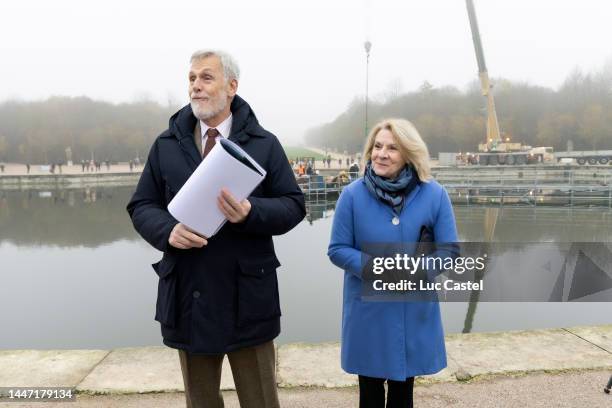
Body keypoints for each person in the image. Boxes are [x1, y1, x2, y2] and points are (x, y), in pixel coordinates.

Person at [127, 49, 305, 408]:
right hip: (189, 296)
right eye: (191, 79)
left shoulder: (264, 144)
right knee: (201, 403)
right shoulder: (165, 145)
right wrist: (167, 231)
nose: (195, 86)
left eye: (206, 78)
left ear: (232, 87)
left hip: (248, 297)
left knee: (261, 402)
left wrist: (250, 211)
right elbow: (141, 205)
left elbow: (293, 205)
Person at [327, 118, 458, 408]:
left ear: (409, 154)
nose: (381, 154)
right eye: (377, 146)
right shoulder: (351, 195)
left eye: (392, 148)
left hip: (412, 311)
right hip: (368, 315)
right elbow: (337, 249)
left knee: (402, 397)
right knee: (369, 397)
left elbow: (449, 251)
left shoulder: (435, 194)